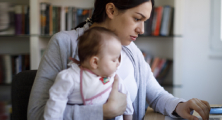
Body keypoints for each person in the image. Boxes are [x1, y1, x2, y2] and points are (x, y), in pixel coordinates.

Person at [28, 0, 211, 120]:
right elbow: (37, 114)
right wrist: (102, 112)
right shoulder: (63, 44)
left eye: (145, 21)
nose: (142, 29)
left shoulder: (132, 52)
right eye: (137, 19)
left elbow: (155, 95)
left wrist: (180, 105)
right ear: (111, 10)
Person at [43, 27, 133, 120]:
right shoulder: (71, 77)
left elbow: (126, 99)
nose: (118, 63)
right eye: (114, 60)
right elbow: (55, 104)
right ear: (95, 62)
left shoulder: (114, 78)